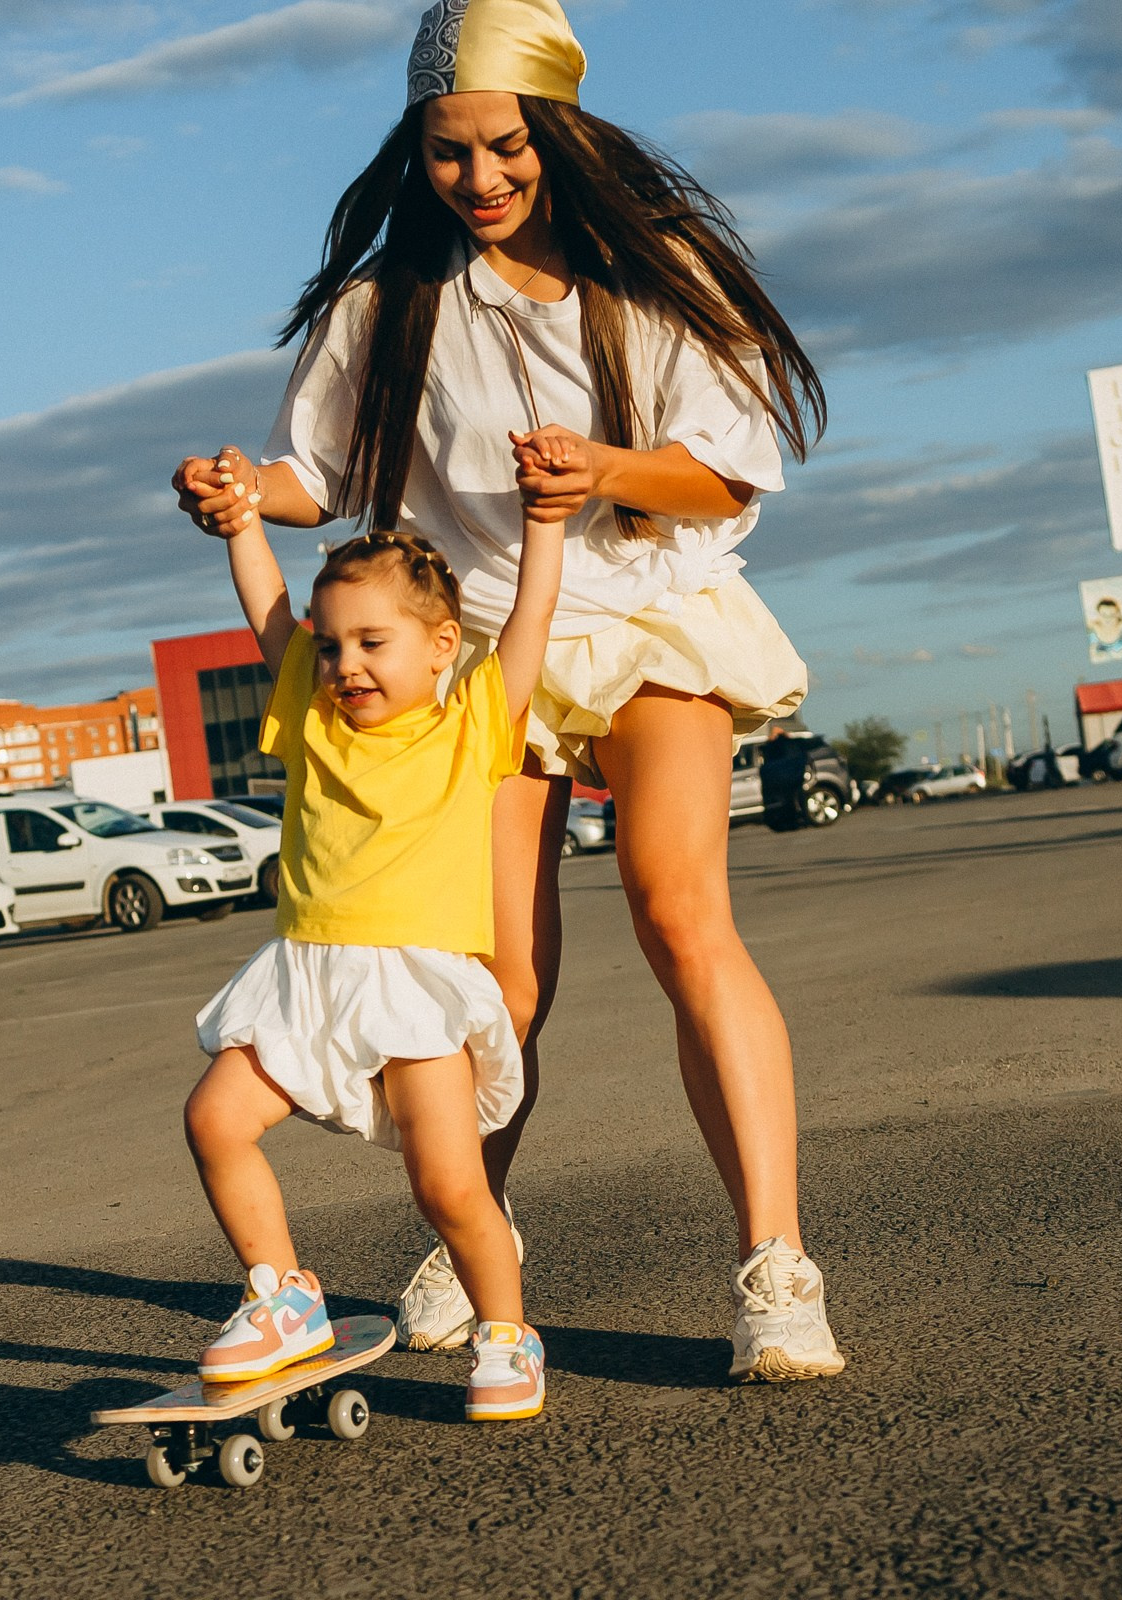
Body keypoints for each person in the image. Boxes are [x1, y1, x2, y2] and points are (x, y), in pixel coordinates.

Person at [172, 0, 845, 1382]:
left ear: (562, 134)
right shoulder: (392, 303)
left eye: (505, 150)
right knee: (495, 972)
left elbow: (724, 469)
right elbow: (323, 477)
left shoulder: (654, 272)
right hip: (488, 657)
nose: (478, 181)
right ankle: (474, 1219)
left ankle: (776, 1267)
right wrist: (243, 495)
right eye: (447, 155)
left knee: (676, 909)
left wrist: (602, 468)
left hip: (648, 619)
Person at [173, 444, 564, 1422]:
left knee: (448, 1186)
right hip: (307, 978)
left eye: (373, 642)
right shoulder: (312, 713)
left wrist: (545, 521)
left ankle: (506, 1331)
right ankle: (282, 1297)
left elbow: (530, 622)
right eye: (334, 642)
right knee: (213, 1119)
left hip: (413, 987)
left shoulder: (469, 723)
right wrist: (244, 524)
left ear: (440, 645)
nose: (346, 662)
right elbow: (269, 613)